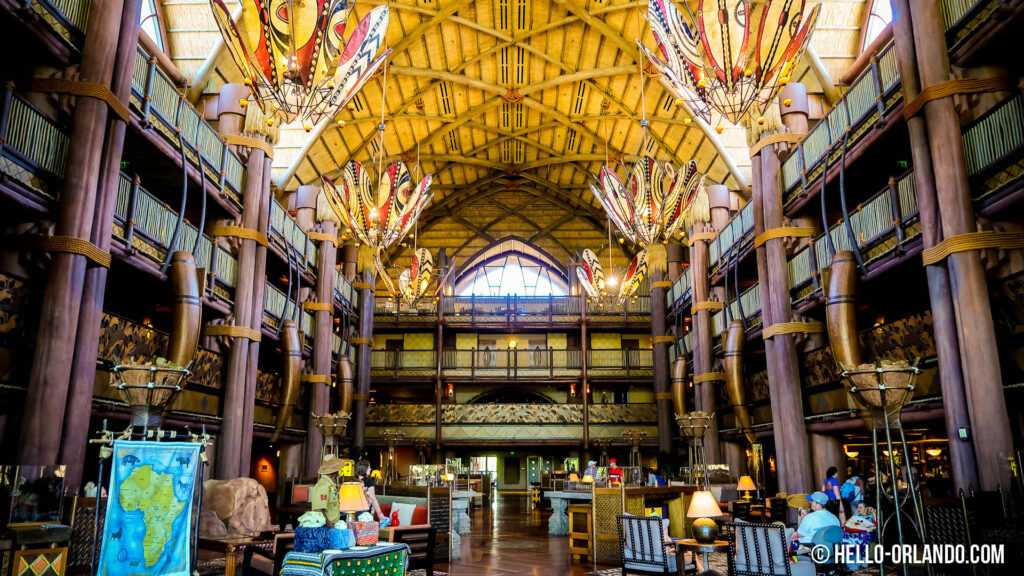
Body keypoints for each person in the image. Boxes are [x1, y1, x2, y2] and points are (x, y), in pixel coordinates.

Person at [356, 459, 387, 523]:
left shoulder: (353, 481)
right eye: (369, 468)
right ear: (364, 469)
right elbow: (373, 499)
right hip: (364, 513)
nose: (370, 469)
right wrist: (380, 515)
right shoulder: (368, 481)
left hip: (352, 512)